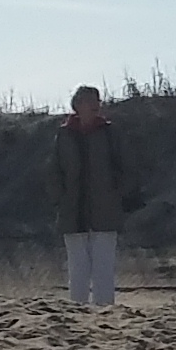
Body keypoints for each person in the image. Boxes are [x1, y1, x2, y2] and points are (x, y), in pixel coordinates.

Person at [50, 86, 143, 310]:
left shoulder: (110, 133)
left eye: (97, 101)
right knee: (77, 268)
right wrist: (61, 198)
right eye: (90, 101)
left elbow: (127, 168)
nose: (96, 105)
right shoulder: (64, 134)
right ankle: (78, 312)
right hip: (73, 211)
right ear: (78, 105)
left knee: (104, 268)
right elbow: (54, 171)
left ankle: (104, 313)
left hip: (105, 210)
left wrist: (116, 194)